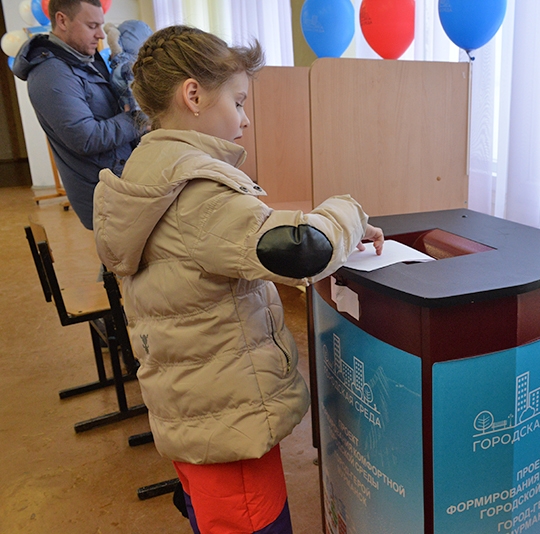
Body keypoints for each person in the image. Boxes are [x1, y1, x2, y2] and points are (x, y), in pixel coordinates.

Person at [92, 25, 384, 534]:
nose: (246, 119)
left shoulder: (149, 171)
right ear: (193, 95)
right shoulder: (197, 191)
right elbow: (302, 249)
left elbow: (234, 237)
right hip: (229, 424)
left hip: (193, 411)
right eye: (239, 101)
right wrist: (349, 212)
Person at [13, 0, 144, 230]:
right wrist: (139, 119)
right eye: (92, 26)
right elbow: (85, 138)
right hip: (107, 199)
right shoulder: (51, 74)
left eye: (101, 25)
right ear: (62, 20)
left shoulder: (82, 58)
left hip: (120, 186)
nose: (100, 34)